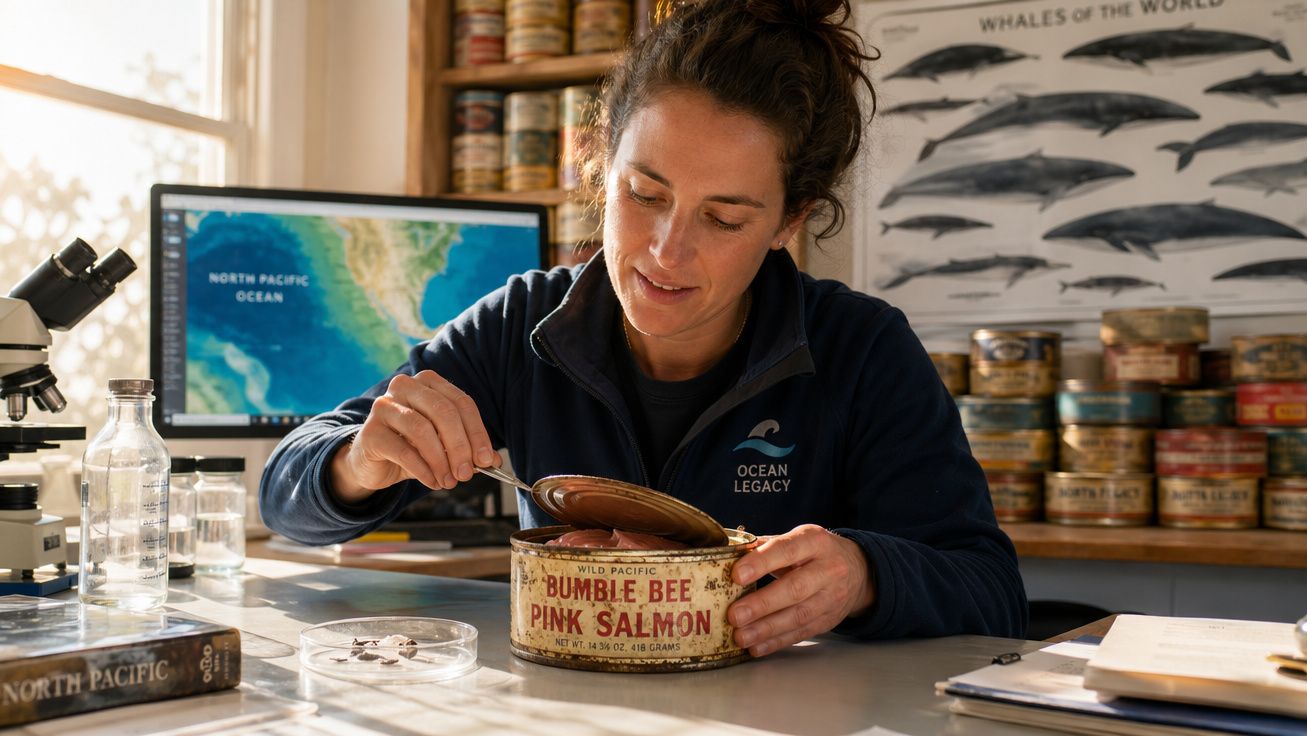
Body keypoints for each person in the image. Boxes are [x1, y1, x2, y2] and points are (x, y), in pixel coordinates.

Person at [260, 0, 1028, 656]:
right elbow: (284, 496)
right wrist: (360, 461)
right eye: (644, 194)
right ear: (600, 165)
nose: (667, 251)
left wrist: (864, 575)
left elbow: (990, 591)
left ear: (788, 222)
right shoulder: (524, 322)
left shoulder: (863, 350)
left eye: (724, 218)